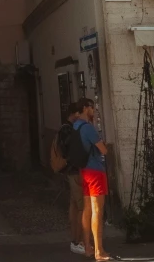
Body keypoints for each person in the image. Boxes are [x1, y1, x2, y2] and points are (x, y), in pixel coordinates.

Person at [73, 98, 110, 262]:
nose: (93, 110)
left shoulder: (75, 126)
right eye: (92, 108)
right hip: (95, 171)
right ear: (85, 108)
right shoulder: (88, 128)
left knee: (87, 209)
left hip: (84, 171)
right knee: (97, 211)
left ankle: (87, 247)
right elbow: (103, 150)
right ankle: (99, 251)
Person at [57, 102, 85, 255]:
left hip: (70, 171)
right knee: (80, 207)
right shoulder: (69, 130)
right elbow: (73, 151)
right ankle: (77, 241)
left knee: (74, 206)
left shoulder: (65, 128)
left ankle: (76, 240)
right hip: (74, 171)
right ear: (76, 114)